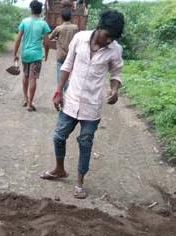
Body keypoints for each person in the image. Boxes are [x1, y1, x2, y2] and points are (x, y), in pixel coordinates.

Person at [40, 10, 125, 199]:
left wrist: (115, 90)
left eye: (113, 38)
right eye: (107, 35)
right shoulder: (80, 38)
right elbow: (67, 65)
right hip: (71, 100)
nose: (109, 40)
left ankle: (79, 181)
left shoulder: (115, 49)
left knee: (85, 143)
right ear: (99, 27)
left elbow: (116, 74)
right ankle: (59, 169)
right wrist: (58, 91)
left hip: (92, 106)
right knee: (58, 137)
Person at [14, 0, 51, 112]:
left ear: (31, 9)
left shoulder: (24, 21)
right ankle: (30, 103)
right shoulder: (43, 24)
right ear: (40, 11)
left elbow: (18, 39)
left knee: (25, 76)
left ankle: (26, 98)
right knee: (33, 78)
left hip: (25, 54)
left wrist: (15, 53)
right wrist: (46, 54)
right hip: (36, 55)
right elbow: (46, 42)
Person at [49, 8, 79, 89]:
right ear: (71, 17)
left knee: (60, 77)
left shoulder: (59, 28)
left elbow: (49, 38)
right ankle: (68, 93)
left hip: (61, 56)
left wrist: (56, 38)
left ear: (61, 17)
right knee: (70, 76)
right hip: (71, 56)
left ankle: (61, 95)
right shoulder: (75, 28)